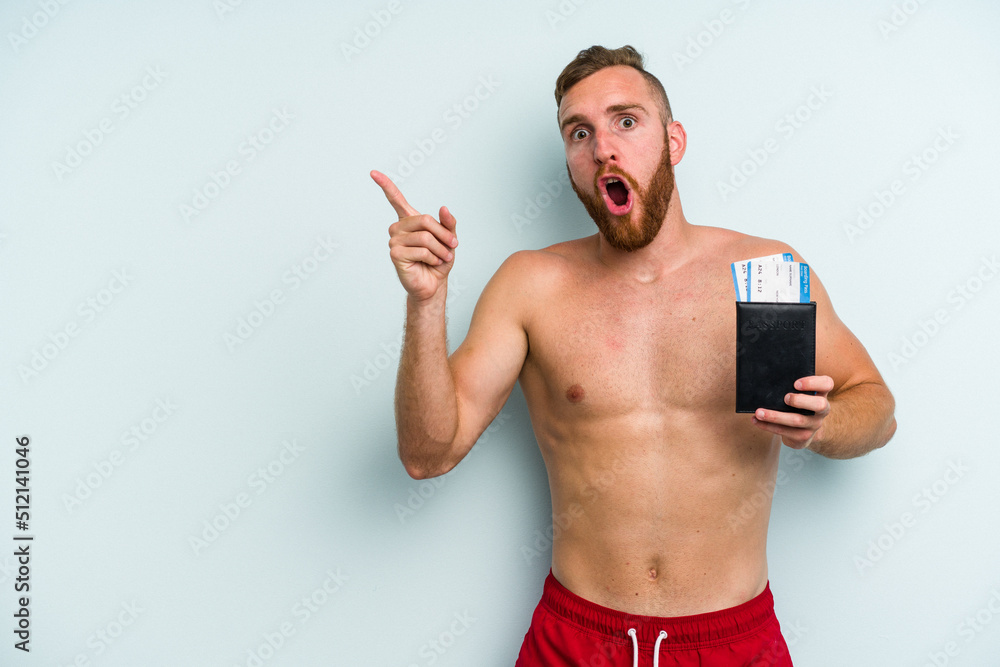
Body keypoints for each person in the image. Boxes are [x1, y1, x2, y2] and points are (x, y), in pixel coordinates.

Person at [371, 45, 896, 667]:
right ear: (570, 161)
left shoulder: (763, 272)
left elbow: (878, 410)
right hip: (577, 639)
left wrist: (825, 424)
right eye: (579, 132)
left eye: (626, 121)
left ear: (673, 140)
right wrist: (426, 304)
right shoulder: (531, 284)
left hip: (733, 641)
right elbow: (427, 454)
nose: (603, 149)